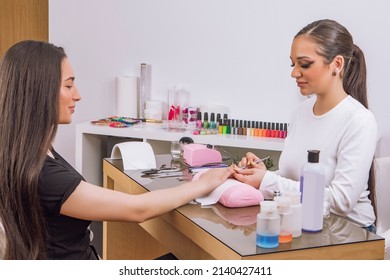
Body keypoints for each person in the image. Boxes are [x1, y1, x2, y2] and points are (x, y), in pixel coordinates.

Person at [0, 40, 234, 260]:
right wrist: (203, 184)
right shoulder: (43, 175)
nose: (77, 95)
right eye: (69, 85)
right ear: (39, 91)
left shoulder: (25, 154)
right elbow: (138, 210)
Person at [233, 19, 378, 231]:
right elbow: (295, 179)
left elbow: (340, 202)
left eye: (305, 64)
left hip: (349, 233)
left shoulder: (359, 121)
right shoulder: (300, 112)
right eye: (293, 64)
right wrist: (265, 175)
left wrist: (267, 182)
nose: (294, 73)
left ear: (337, 64)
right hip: (304, 224)